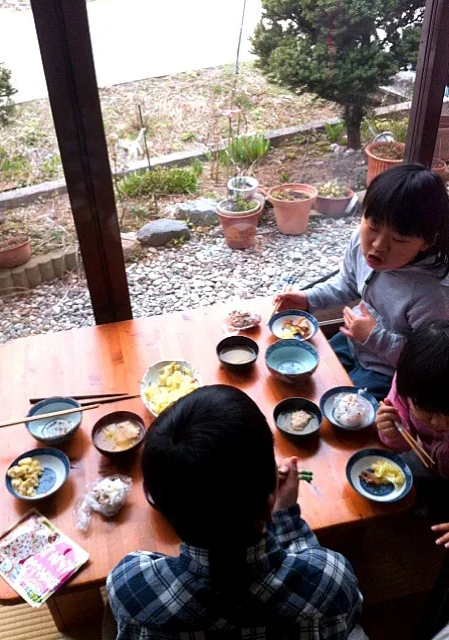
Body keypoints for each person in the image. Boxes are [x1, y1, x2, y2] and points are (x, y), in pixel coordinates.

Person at [106, 385, 364, 640]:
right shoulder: (331, 582)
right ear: (268, 500)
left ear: (158, 504)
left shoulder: (130, 586)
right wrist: (285, 517)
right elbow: (346, 615)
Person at [274, 164, 449, 400]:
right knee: (300, 376)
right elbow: (347, 283)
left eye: (398, 239)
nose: (378, 245)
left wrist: (374, 337)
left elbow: (429, 361)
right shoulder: (360, 240)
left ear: (427, 242)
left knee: (338, 407)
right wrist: (307, 299)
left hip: (386, 372)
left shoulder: (432, 294)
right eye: (373, 227)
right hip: (352, 340)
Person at [376, 320, 449, 480]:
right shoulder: (408, 387)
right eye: (428, 415)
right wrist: (393, 433)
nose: (438, 424)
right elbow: (403, 446)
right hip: (427, 461)